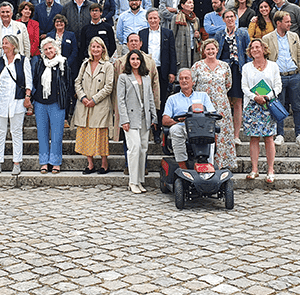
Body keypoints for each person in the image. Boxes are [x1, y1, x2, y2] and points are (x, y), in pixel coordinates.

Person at [0, 36, 33, 176]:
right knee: (0, 132)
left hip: (17, 101)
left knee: (16, 132)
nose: (4, 46)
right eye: (3, 43)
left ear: (13, 45)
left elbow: (28, 81)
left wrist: (27, 97)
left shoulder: (23, 60)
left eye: (6, 43)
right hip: (0, 100)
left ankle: (17, 163)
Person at [263, 11, 300, 147]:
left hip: (294, 75)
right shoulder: (267, 38)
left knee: (296, 106)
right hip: (278, 77)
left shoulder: (294, 36)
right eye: (287, 22)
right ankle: (279, 134)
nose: (290, 24)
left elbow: (299, 54)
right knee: (278, 106)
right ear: (278, 23)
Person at [116, 49, 158, 194]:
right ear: (129, 61)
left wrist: (154, 116)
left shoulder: (146, 77)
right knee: (134, 148)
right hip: (130, 119)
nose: (135, 61)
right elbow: (120, 100)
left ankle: (140, 180)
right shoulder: (123, 77)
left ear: (141, 61)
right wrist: (124, 120)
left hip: (144, 118)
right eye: (132, 59)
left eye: (137, 59)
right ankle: (132, 181)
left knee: (143, 149)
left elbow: (150, 98)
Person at [241, 38, 282, 183]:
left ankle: (270, 170)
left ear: (264, 49)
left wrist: (267, 96)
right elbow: (244, 87)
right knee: (254, 137)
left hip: (267, 105)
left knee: (269, 137)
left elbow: (278, 86)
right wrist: (254, 97)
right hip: (252, 106)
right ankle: (254, 169)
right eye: (252, 48)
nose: (255, 50)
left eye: (258, 47)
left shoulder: (273, 66)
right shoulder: (246, 67)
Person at [192, 39, 236, 170]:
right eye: (208, 49)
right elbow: (192, 84)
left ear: (217, 50)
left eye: (213, 49)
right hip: (203, 106)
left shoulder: (224, 66)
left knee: (222, 134)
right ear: (203, 51)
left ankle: (222, 163)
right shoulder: (197, 66)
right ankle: (204, 162)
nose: (210, 51)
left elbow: (228, 84)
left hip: (221, 106)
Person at [73, 37, 114, 174]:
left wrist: (94, 99)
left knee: (100, 134)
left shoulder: (108, 65)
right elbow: (77, 82)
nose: (95, 49)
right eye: (93, 47)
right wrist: (83, 97)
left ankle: (104, 163)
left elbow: (109, 87)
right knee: (85, 134)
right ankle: (90, 164)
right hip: (84, 105)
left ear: (103, 49)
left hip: (99, 105)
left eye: (98, 47)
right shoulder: (85, 64)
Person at [31, 38, 72, 174]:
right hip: (40, 103)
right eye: (46, 49)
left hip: (57, 103)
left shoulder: (63, 63)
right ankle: (43, 162)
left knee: (57, 135)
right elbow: (34, 80)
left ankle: (55, 162)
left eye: (50, 48)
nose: (48, 51)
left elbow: (68, 83)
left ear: (56, 49)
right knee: (42, 134)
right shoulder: (38, 63)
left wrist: (67, 103)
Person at [162, 68, 215, 168]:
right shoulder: (172, 99)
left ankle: (208, 164)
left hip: (200, 127)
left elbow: (212, 114)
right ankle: (182, 165)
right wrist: (179, 120)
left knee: (210, 131)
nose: (184, 80)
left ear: (193, 81)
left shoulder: (203, 96)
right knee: (175, 130)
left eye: (187, 78)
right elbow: (165, 120)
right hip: (182, 127)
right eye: (181, 78)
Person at [213, 10, 250, 147]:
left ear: (235, 18)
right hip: (223, 70)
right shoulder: (219, 34)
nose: (229, 19)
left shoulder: (242, 33)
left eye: (231, 17)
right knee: (224, 102)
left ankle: (236, 135)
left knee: (238, 102)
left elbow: (248, 52)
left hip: (238, 69)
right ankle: (223, 133)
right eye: (227, 17)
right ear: (223, 20)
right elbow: (216, 53)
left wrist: (248, 70)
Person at [138, 9, 177, 134]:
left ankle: (157, 130)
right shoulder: (142, 33)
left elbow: (172, 53)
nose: (153, 20)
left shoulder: (168, 33)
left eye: (155, 18)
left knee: (160, 101)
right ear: (147, 20)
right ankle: (145, 128)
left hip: (162, 70)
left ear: (159, 19)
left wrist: (172, 72)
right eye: (150, 18)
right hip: (145, 70)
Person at [0, 2, 30, 70]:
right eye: (3, 12)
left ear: (11, 13)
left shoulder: (21, 26)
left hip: (18, 62)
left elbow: (27, 46)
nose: (5, 14)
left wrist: (26, 62)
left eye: (7, 12)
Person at [174, 0, 200, 69]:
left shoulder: (195, 19)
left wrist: (198, 36)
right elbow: (173, 35)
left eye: (192, 3)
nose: (192, 5)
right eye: (189, 3)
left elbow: (199, 38)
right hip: (181, 50)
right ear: (182, 5)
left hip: (193, 49)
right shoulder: (176, 18)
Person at [51, 13, 79, 79]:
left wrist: (67, 63)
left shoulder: (71, 35)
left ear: (65, 23)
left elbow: (75, 51)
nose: (59, 23)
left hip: (68, 66)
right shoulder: (50, 35)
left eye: (61, 21)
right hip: (53, 65)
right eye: (57, 21)